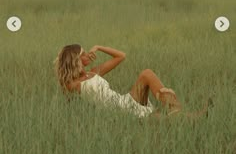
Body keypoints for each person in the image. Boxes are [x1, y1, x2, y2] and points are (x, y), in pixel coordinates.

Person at [54, 44, 212, 119]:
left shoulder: (93, 72)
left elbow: (121, 56)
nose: (88, 54)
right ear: (75, 60)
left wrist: (99, 47)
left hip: (124, 101)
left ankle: (174, 108)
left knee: (146, 74)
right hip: (118, 112)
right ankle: (187, 115)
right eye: (83, 53)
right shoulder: (71, 85)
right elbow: (71, 104)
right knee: (160, 119)